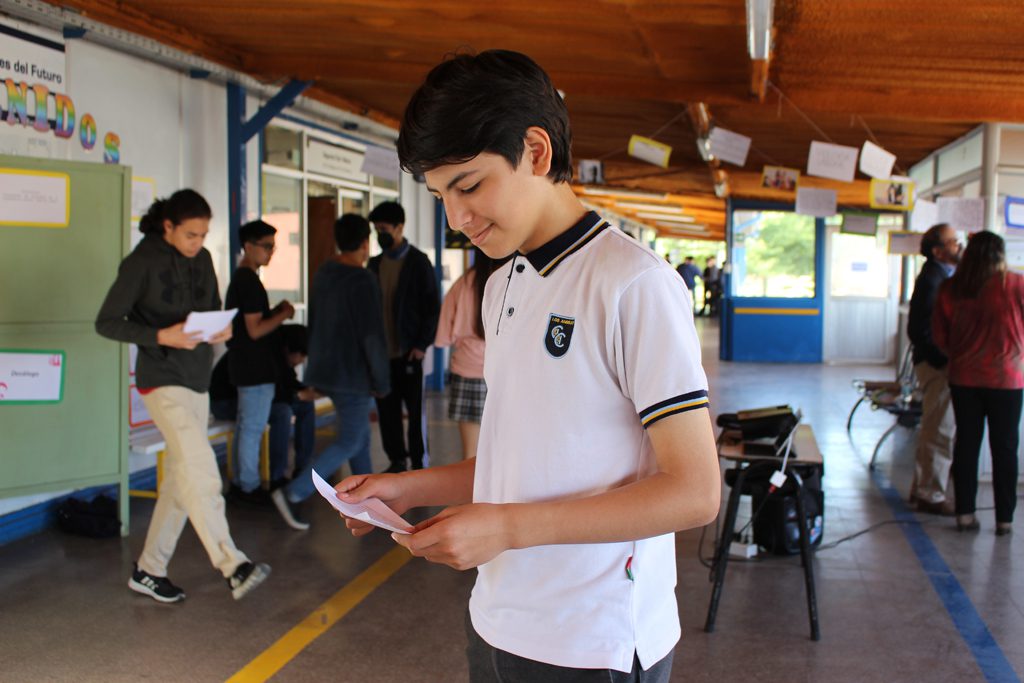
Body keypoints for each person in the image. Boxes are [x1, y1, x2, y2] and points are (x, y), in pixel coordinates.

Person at [334, 50, 720, 681]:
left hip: (593, 642)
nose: (456, 218)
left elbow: (695, 492)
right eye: (440, 195)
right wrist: (406, 488)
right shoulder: (502, 285)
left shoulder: (633, 285)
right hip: (498, 616)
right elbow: (520, 460)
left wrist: (508, 529)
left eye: (468, 186)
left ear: (536, 152)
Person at [95, 190, 270, 603]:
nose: (198, 243)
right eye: (191, 235)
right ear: (168, 226)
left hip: (197, 379)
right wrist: (161, 335)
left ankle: (149, 569)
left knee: (180, 477)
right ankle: (232, 564)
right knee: (201, 466)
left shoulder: (204, 259)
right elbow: (107, 322)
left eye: (204, 235)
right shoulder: (140, 263)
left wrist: (221, 329)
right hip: (161, 378)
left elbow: (211, 309)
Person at [270, 214, 390, 531]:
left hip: (326, 370)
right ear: (365, 243)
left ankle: (366, 502)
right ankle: (294, 492)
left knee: (360, 438)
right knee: (350, 440)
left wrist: (316, 373)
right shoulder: (362, 279)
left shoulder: (324, 273)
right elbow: (371, 336)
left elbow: (318, 323)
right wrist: (381, 379)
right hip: (353, 374)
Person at [933, 231, 1023, 537]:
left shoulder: (951, 288)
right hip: (1007, 379)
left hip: (964, 378)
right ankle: (1005, 520)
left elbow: (940, 335)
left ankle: (965, 514)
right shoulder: (1016, 285)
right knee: (1005, 447)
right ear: (1001, 255)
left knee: (967, 444)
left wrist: (960, 354)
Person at [224, 220, 295, 503]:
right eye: (266, 246)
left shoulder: (242, 279)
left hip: (247, 367)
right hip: (254, 369)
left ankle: (241, 482)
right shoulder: (248, 282)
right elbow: (255, 330)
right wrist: (284, 314)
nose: (270, 252)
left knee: (246, 427)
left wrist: (275, 312)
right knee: (252, 429)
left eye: (273, 247)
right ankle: (248, 487)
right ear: (248, 246)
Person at [367, 200, 441, 472]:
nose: (380, 234)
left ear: (400, 227)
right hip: (382, 356)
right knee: (387, 411)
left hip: (410, 352)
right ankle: (396, 461)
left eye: (384, 229)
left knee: (414, 411)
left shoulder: (418, 263)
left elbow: (432, 307)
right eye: (377, 230)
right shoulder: (374, 264)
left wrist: (421, 344)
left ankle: (419, 463)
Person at [209, 324, 317, 491]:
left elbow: (287, 384)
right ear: (290, 349)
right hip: (225, 403)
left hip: (245, 401)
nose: (302, 360)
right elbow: (275, 394)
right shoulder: (267, 355)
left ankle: (303, 468)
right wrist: (298, 395)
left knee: (305, 405)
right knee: (282, 412)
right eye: (302, 355)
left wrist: (307, 392)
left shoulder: (277, 354)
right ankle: (275, 477)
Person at [906, 223, 960, 515]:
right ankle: (932, 494)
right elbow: (918, 330)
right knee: (940, 430)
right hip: (936, 365)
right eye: (953, 242)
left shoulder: (942, 275)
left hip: (935, 362)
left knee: (934, 428)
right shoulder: (933, 279)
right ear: (938, 251)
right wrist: (943, 360)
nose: (958, 246)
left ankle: (922, 488)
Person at [434, 248, 504, 460]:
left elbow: (443, 336)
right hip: (502, 374)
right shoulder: (512, 279)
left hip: (466, 372)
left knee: (470, 456)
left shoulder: (463, 283)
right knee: (502, 453)